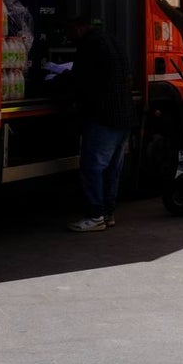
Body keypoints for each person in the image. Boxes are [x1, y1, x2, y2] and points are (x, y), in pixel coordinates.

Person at [66, 17, 134, 233]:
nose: (69, 38)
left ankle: (95, 215)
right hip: (123, 117)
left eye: (70, 32)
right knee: (112, 169)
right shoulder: (115, 43)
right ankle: (108, 213)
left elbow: (79, 80)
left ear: (79, 27)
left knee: (92, 168)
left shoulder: (89, 46)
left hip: (102, 117)